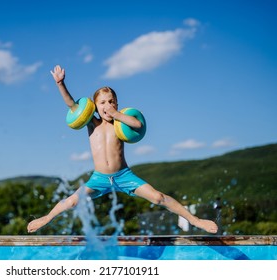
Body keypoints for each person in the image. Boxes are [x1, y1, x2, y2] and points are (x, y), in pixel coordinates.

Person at [27, 65, 218, 234]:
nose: (107, 106)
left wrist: (117, 114)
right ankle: (47, 217)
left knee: (158, 197)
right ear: (95, 107)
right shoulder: (92, 123)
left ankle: (195, 220)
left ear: (117, 104)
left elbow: (137, 123)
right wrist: (61, 84)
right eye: (102, 103)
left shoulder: (120, 123)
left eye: (111, 102)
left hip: (124, 175)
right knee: (72, 201)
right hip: (99, 178)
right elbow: (72, 105)